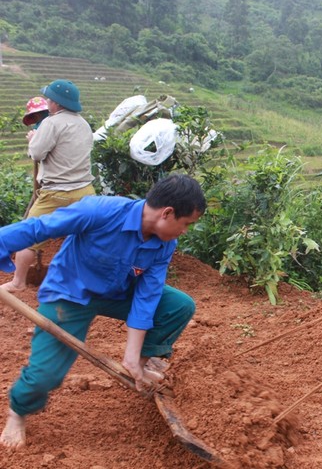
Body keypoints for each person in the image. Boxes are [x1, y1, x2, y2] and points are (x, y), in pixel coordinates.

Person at [0, 174, 206, 449]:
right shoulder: (100, 211)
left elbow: (148, 296)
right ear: (167, 213)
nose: (185, 231)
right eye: (186, 224)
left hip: (117, 293)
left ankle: (140, 367)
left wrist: (132, 358)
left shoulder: (164, 243)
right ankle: (18, 413)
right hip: (69, 295)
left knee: (178, 306)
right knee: (45, 375)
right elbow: (39, 228)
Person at [1, 80, 95, 293]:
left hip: (57, 192)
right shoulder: (83, 123)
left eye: (50, 99)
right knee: (83, 239)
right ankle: (81, 284)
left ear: (57, 103)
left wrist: (33, 139)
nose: (49, 102)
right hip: (85, 191)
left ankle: (18, 282)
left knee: (29, 235)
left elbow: (37, 153)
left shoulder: (52, 123)